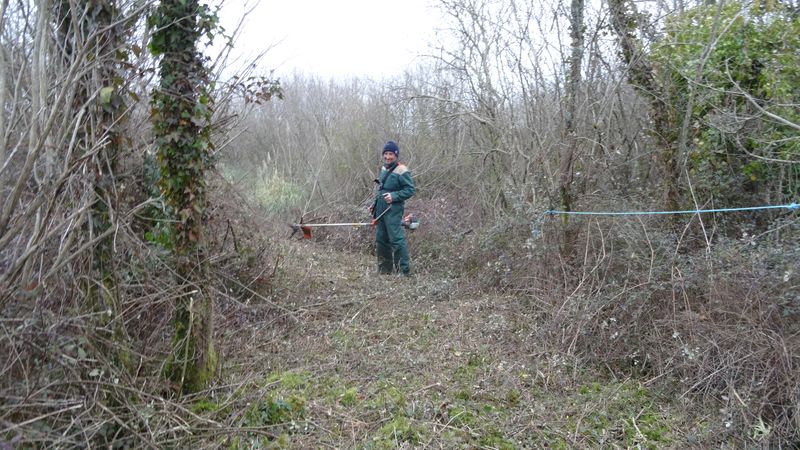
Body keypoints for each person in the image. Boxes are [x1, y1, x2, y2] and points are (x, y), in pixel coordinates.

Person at [371, 140, 415, 275]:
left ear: (396, 155)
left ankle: (403, 271)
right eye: (386, 154)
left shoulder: (402, 170)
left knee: (396, 239)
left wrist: (394, 196)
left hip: (393, 210)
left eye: (391, 154)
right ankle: (385, 270)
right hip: (381, 209)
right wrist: (374, 205)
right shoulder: (384, 169)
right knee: (381, 239)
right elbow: (381, 189)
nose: (388, 157)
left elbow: (410, 190)